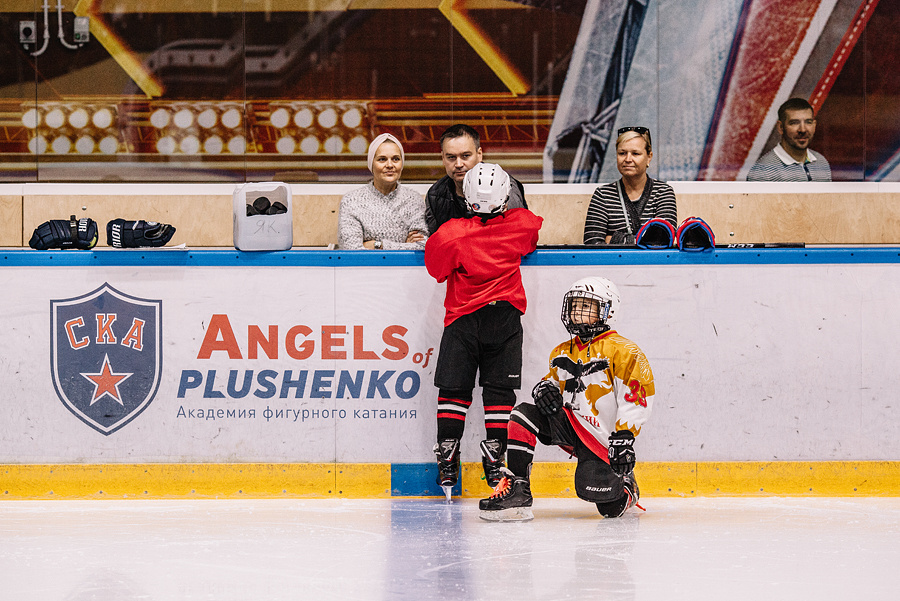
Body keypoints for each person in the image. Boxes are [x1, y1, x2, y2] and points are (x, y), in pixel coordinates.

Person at [479, 276, 654, 521]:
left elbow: (637, 397)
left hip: (601, 438)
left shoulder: (625, 351)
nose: (576, 313)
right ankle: (518, 488)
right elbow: (552, 381)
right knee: (522, 415)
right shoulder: (562, 351)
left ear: (608, 310)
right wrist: (543, 389)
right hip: (570, 427)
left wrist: (624, 437)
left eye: (585, 306)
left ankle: (627, 486)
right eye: (574, 306)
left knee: (609, 509)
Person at [424, 162, 543, 500]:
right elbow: (531, 239)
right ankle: (496, 464)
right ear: (506, 196)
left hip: (463, 320)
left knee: (453, 391)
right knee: (499, 395)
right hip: (504, 320)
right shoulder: (521, 224)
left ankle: (448, 459)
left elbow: (436, 268)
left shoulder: (451, 233)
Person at [425, 124, 527, 234]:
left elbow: (519, 236)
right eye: (451, 157)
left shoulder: (505, 186)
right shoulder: (435, 195)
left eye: (465, 156)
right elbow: (434, 241)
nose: (458, 164)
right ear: (443, 158)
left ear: (479, 155)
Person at [583, 127, 677, 245]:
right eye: (622, 153)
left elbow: (663, 240)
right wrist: (645, 240)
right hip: (613, 264)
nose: (628, 159)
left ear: (649, 157)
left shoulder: (663, 192)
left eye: (635, 153)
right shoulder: (602, 195)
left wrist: (613, 239)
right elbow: (592, 243)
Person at [337, 133, 428, 249]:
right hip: (365, 267)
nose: (390, 165)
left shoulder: (414, 200)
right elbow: (351, 250)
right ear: (371, 164)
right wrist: (404, 246)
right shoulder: (352, 202)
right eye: (382, 159)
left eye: (396, 159)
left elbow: (422, 246)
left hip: (405, 267)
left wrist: (378, 245)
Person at [747, 97, 832, 182]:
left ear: (814, 126)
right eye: (794, 123)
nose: (802, 129)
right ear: (780, 127)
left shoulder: (821, 162)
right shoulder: (762, 171)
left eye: (808, 122)